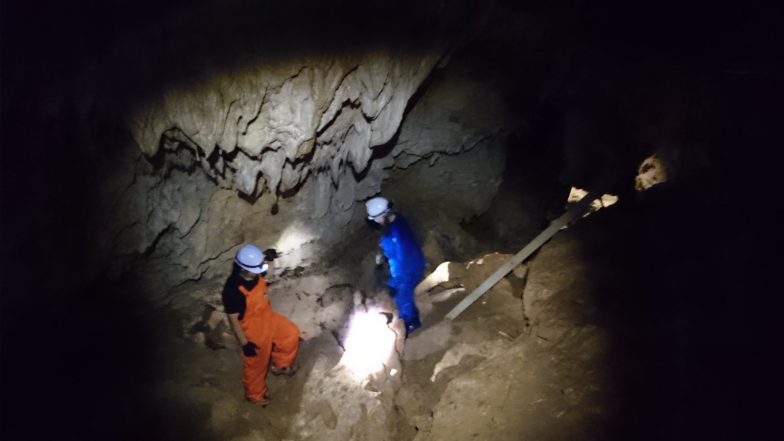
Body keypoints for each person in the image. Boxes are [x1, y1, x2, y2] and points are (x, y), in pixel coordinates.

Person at [222, 244, 300, 406]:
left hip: (268, 317)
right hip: (253, 329)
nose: (260, 271)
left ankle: (281, 366)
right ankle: (255, 395)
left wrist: (269, 260)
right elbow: (234, 320)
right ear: (243, 269)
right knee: (257, 364)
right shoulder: (232, 291)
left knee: (291, 333)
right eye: (257, 268)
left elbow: (264, 273)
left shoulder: (254, 272)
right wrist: (245, 344)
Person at [365, 196, 426, 337]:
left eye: (376, 219)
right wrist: (384, 251)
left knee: (403, 299)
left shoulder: (398, 234)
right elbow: (390, 243)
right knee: (397, 292)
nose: (376, 222)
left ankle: (411, 325)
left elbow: (403, 255)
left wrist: (398, 280)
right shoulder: (395, 220)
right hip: (402, 265)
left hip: (409, 267)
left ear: (384, 215)